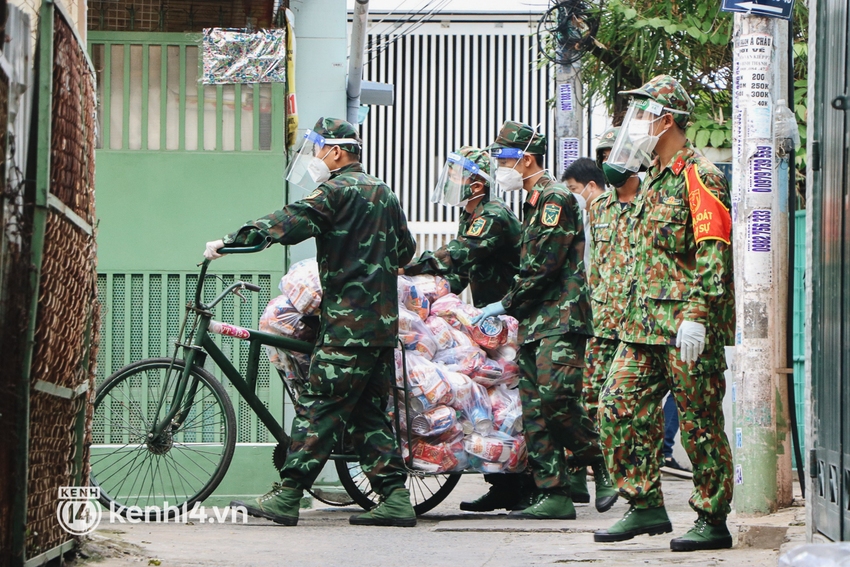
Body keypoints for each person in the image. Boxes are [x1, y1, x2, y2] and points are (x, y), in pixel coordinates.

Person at [205, 117, 418, 528]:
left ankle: (287, 495)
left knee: (319, 405)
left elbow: (289, 221)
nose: (316, 158)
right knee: (367, 414)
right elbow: (405, 250)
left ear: (336, 152)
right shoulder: (385, 193)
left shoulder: (335, 191)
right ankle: (394, 498)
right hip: (381, 328)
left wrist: (231, 242)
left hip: (347, 327)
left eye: (319, 150)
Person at [592, 75, 735, 551]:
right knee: (615, 405)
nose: (636, 125)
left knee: (699, 423)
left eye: (643, 114)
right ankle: (645, 502)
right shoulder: (651, 176)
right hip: (642, 324)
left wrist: (697, 313)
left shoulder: (700, 175)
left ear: (666, 119)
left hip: (685, 326)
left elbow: (714, 250)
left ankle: (712, 519)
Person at [471, 120, 616, 519]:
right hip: (536, 321)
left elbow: (544, 266)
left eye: (502, 159)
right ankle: (555, 493)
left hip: (561, 317)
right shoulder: (533, 203)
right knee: (534, 411)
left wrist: (505, 301)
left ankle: (598, 460)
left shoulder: (555, 200)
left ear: (526, 159)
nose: (498, 167)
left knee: (557, 400)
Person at [402, 146, 532, 512]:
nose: (452, 181)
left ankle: (530, 484)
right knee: (495, 400)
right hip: (490, 325)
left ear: (476, 182)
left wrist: (410, 267)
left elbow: (461, 253)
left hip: (513, 317)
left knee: (512, 402)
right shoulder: (471, 214)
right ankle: (503, 485)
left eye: (458, 175)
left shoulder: (491, 215)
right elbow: (457, 276)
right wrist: (431, 298)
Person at [566, 128, 640, 511]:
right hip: (600, 320)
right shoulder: (600, 207)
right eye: (607, 154)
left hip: (639, 323)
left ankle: (630, 477)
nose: (615, 160)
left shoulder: (649, 201)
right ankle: (585, 474)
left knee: (628, 405)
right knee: (588, 397)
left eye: (621, 154)